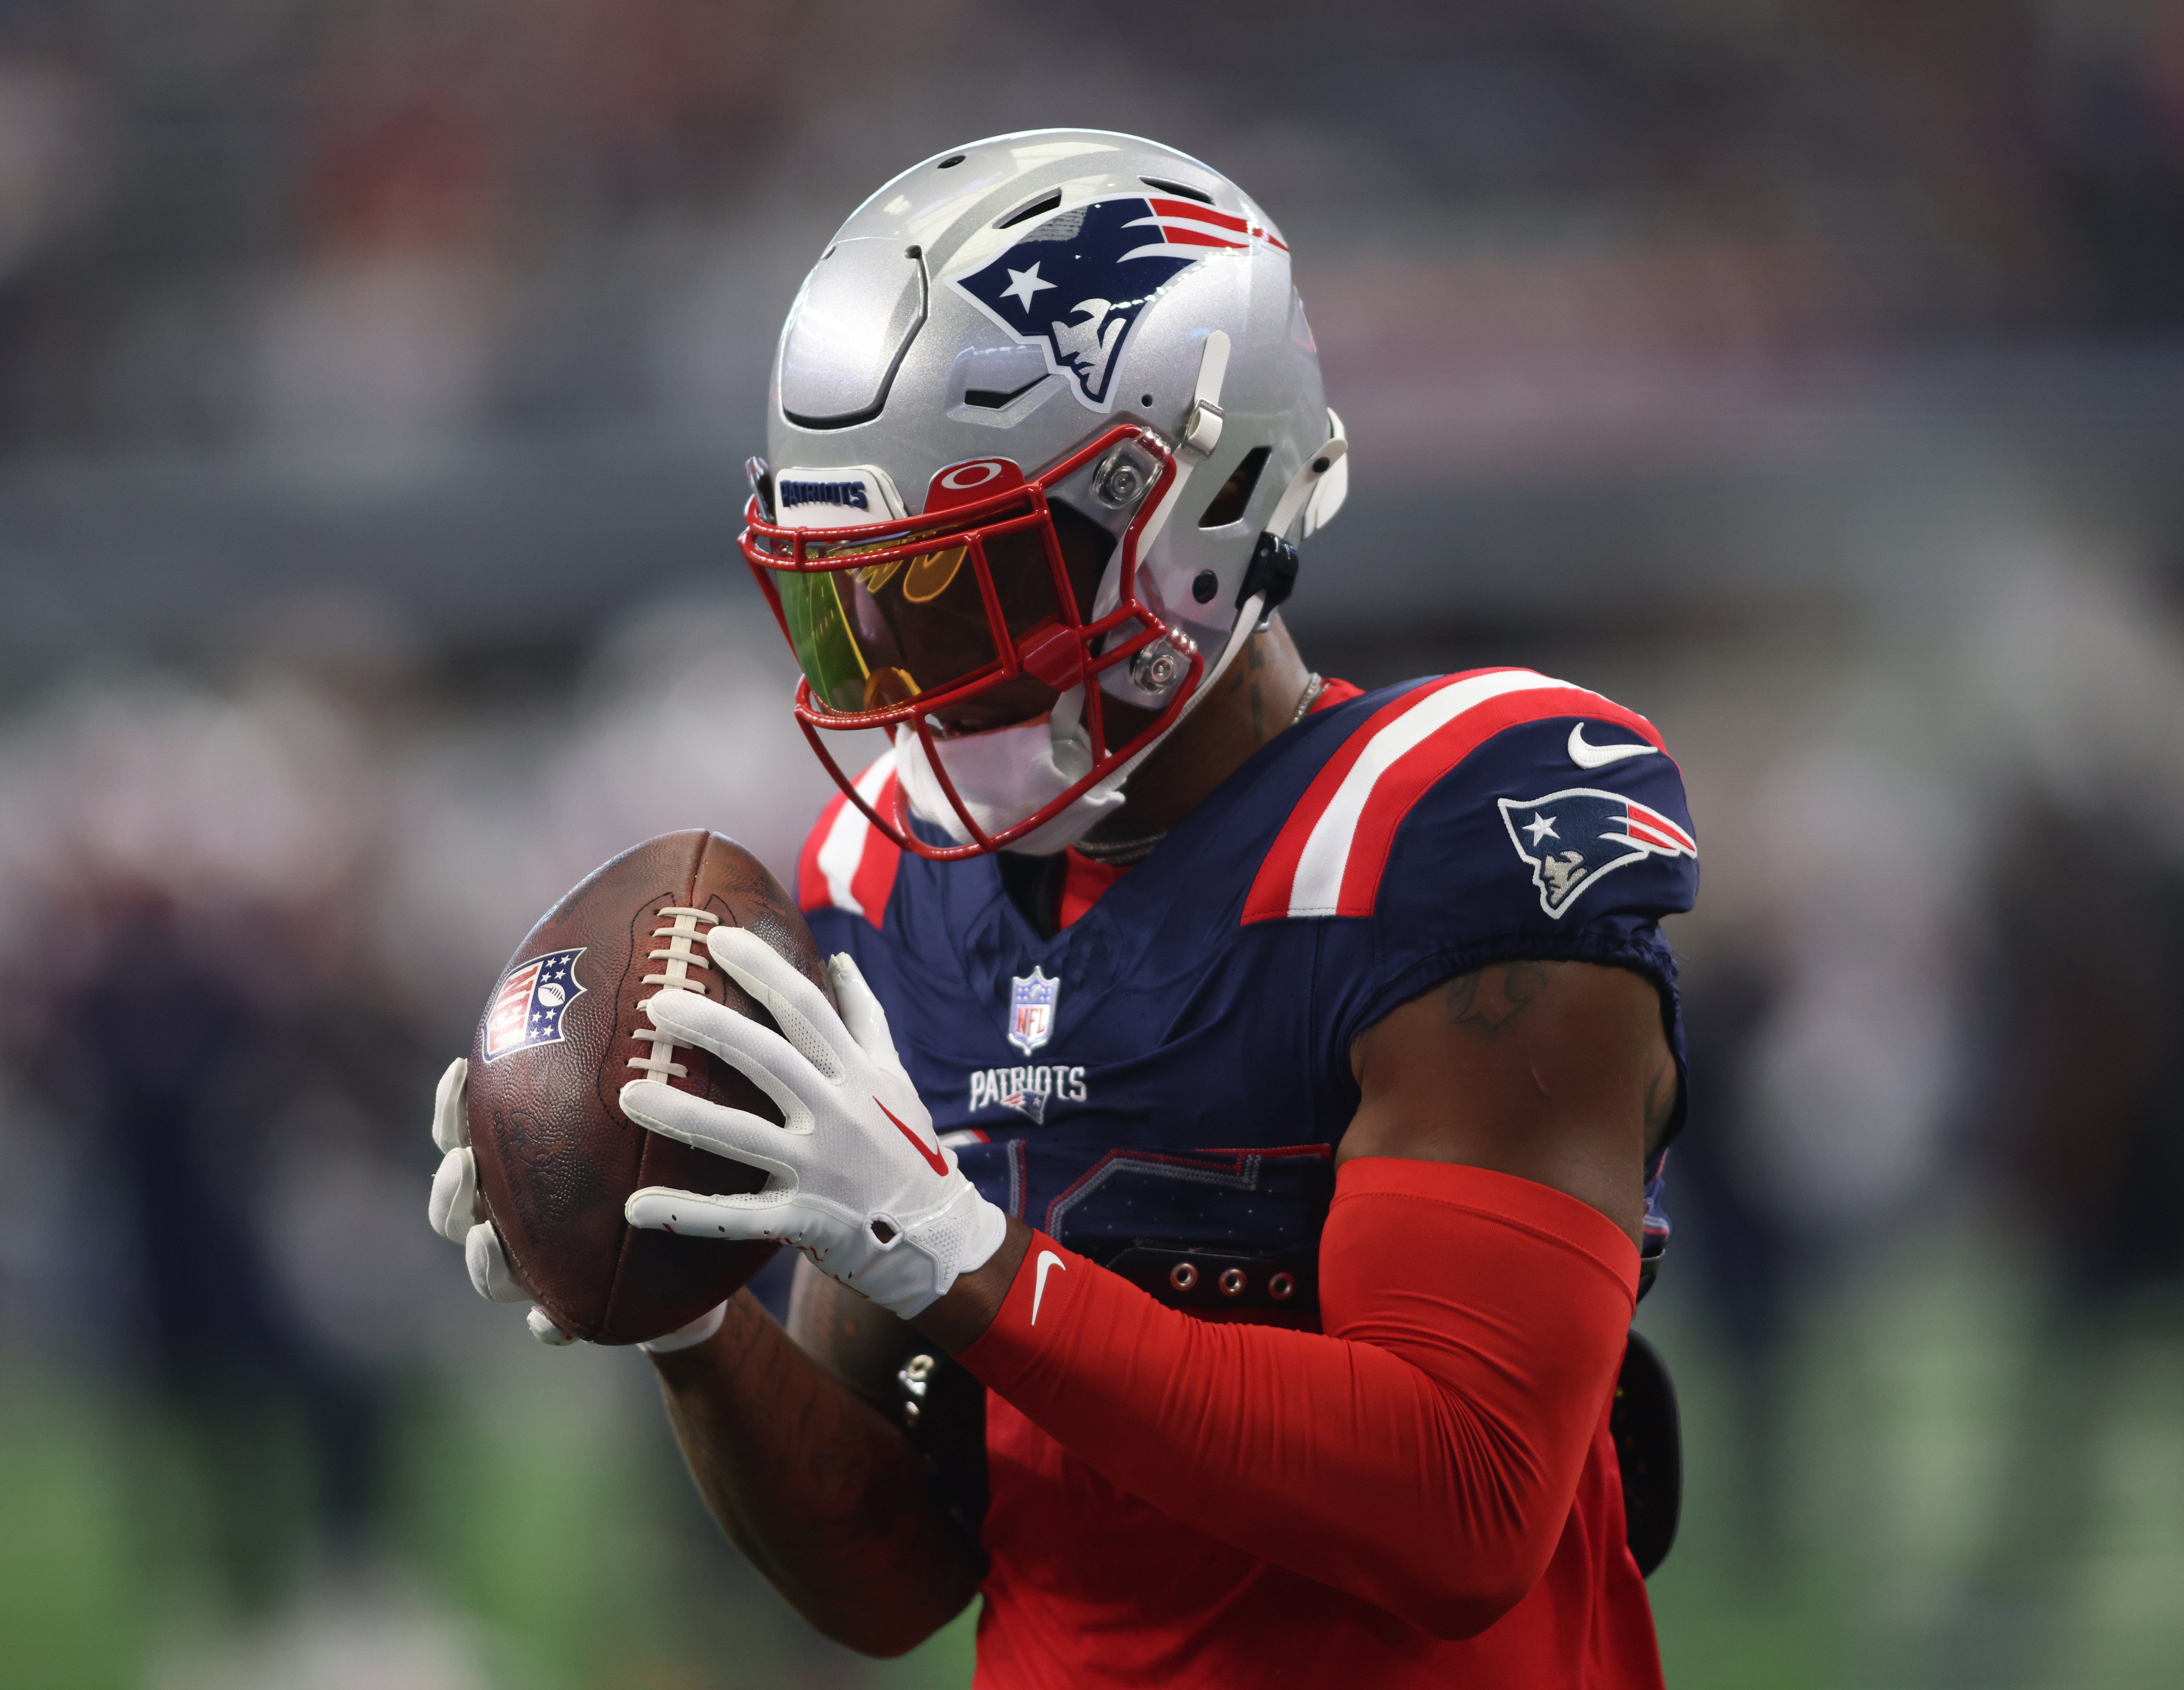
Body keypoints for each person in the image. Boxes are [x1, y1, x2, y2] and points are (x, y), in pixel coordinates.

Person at [432, 130, 1697, 1686]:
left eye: (965, 585)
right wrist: (683, 1319)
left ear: (1192, 516)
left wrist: (966, 1261)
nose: (901, 667)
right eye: (857, 601)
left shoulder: (1434, 828)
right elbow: (895, 1578)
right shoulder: (880, 882)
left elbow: (1463, 1509)